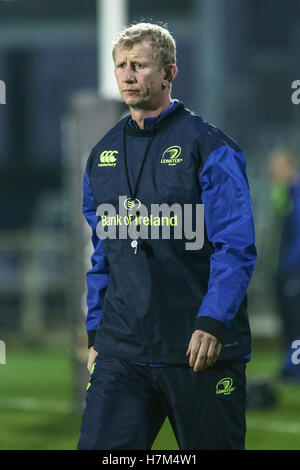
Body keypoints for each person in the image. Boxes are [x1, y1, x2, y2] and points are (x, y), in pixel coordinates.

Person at [77, 23, 257, 450]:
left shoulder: (210, 147)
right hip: (123, 349)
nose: (127, 74)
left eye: (139, 65)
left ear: (168, 73)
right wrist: (96, 332)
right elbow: (103, 252)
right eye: (121, 65)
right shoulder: (101, 155)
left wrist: (213, 321)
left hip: (197, 349)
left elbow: (236, 244)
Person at [268, 147, 300, 382]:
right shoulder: (284, 193)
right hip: (283, 269)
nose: (272, 172)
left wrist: (288, 267)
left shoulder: (296, 193)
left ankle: (294, 366)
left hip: (293, 270)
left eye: (277, 167)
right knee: (288, 320)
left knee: (295, 320)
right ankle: (290, 365)